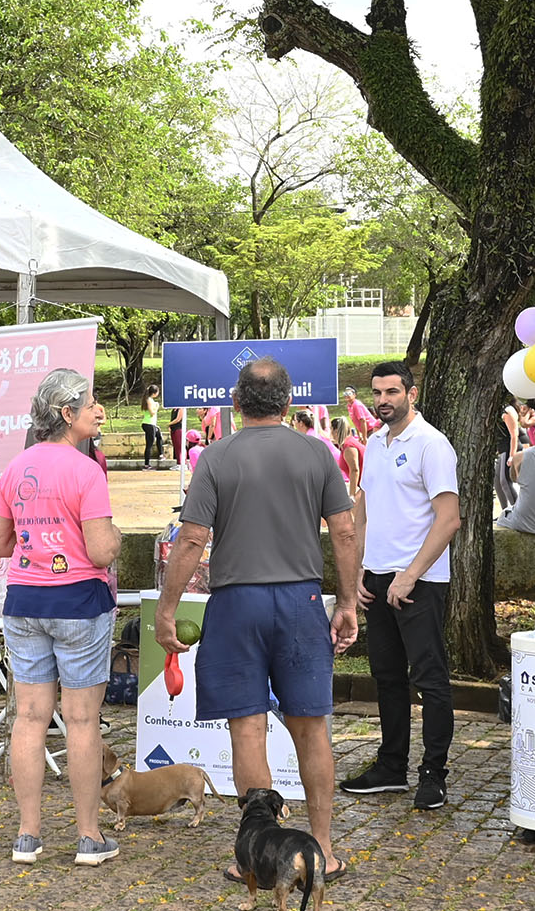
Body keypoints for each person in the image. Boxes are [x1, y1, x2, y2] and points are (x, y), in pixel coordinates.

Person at [154, 356, 362, 877]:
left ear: (236, 402)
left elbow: (193, 538)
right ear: (289, 403)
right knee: (312, 729)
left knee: (247, 730)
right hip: (301, 600)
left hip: (237, 603)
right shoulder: (317, 453)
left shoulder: (216, 457)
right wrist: (349, 601)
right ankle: (322, 850)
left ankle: (258, 861)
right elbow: (343, 531)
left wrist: (167, 609)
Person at [0, 367, 122, 865]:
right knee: (82, 720)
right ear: (67, 415)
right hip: (79, 602)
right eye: (90, 405)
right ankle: (88, 836)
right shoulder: (87, 471)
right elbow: (103, 550)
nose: (99, 411)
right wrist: (116, 539)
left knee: (29, 717)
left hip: (25, 602)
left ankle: (28, 835)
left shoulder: (17, 467)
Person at [344, 363, 461, 809]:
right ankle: (391, 766)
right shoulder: (373, 443)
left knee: (430, 679)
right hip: (376, 579)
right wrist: (357, 572)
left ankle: (434, 772)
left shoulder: (432, 444)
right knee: (386, 677)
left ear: (411, 393)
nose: (383, 400)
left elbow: (449, 519)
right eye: (377, 392)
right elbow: (364, 509)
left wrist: (409, 574)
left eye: (392, 391)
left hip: (420, 581)